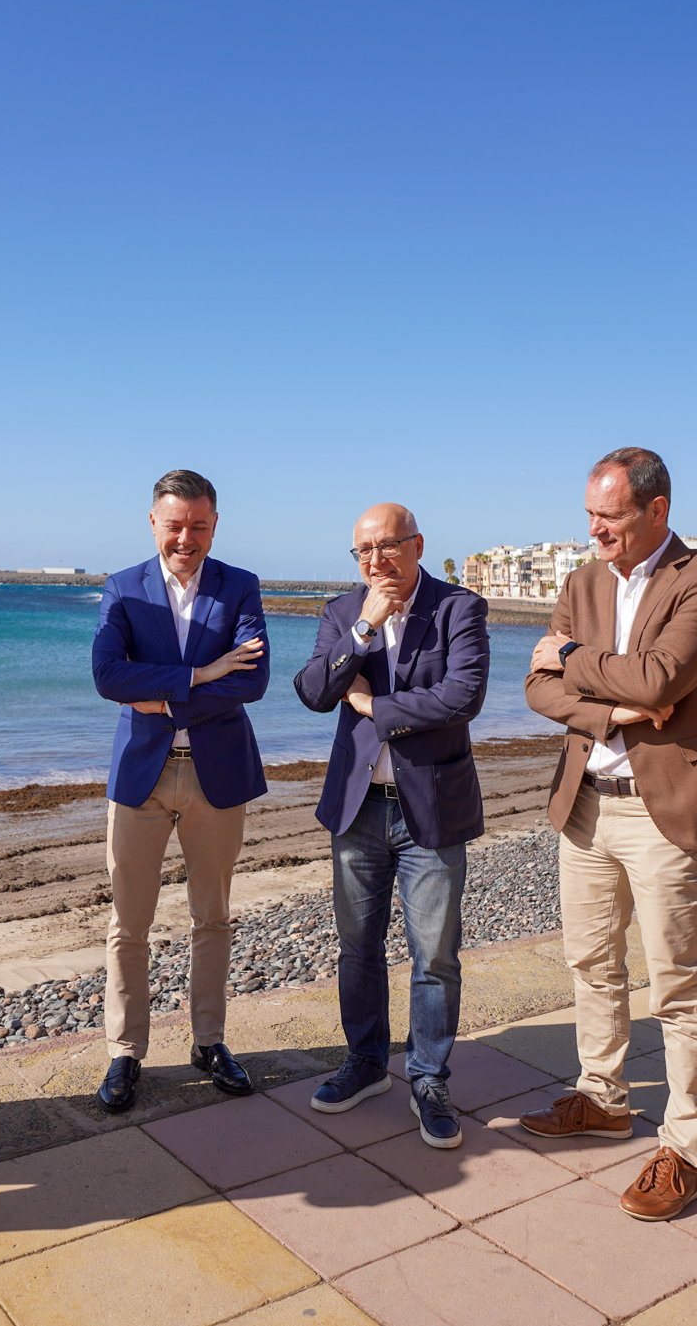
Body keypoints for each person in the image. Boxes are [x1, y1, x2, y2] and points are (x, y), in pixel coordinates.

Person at [520, 446, 697, 1221]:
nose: (594, 529)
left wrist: (579, 658)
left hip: (664, 807)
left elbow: (661, 679)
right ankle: (603, 1097)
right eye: (589, 513)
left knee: (677, 980)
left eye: (609, 516)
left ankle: (685, 1148)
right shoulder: (580, 581)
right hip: (585, 799)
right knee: (590, 960)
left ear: (657, 510)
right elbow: (536, 686)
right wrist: (611, 708)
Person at [293, 504, 489, 1148]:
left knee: (434, 954)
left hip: (429, 809)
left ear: (417, 544)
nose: (375, 561)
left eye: (387, 546)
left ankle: (429, 1077)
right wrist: (363, 634)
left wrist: (374, 705)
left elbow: (462, 697)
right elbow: (315, 692)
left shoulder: (458, 608)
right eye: (362, 551)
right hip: (357, 807)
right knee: (358, 946)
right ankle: (368, 1061)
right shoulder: (342, 611)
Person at [89, 469, 271, 1112]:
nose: (185, 538)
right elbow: (108, 675)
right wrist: (200, 674)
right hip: (140, 777)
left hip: (217, 776)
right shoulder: (122, 588)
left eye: (197, 526)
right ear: (153, 522)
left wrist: (160, 696)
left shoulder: (240, 586)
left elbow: (251, 682)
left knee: (212, 916)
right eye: (174, 526)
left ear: (214, 524)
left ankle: (209, 1040)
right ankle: (124, 1052)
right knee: (128, 923)